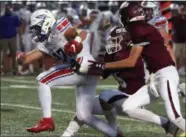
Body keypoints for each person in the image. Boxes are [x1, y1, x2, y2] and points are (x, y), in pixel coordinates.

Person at [17, 9, 123, 137]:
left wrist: (76, 42)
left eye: (37, 28)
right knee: (84, 116)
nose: (35, 32)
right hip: (87, 72)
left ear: (45, 22)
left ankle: (47, 120)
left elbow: (82, 33)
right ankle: (115, 134)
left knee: (43, 80)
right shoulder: (45, 43)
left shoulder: (58, 26)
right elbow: (28, 59)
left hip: (82, 65)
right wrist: (21, 58)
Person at [88, 1, 186, 135]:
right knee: (128, 107)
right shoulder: (140, 27)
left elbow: (131, 61)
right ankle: (168, 121)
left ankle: (178, 94)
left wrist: (102, 65)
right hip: (155, 78)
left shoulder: (138, 29)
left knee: (176, 117)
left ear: (126, 15)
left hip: (165, 74)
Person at [62, 26, 179, 137]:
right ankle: (67, 134)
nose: (111, 44)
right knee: (85, 108)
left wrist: (90, 67)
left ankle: (165, 123)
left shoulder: (132, 57)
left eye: (115, 41)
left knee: (105, 95)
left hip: (136, 98)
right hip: (121, 97)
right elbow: (102, 75)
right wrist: (82, 71)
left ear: (127, 42)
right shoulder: (114, 55)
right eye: (111, 41)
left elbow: (123, 64)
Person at [0, 3, 21, 75]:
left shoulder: (15, 17)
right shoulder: (1, 17)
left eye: (8, 7)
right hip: (3, 38)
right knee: (4, 55)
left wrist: (16, 34)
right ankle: (5, 71)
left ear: (10, 8)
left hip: (12, 38)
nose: (7, 9)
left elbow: (18, 27)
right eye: (6, 7)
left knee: (14, 54)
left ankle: (15, 70)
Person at [172, 5, 186, 76]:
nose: (183, 11)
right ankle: (175, 69)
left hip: (184, 41)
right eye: (182, 9)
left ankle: (182, 69)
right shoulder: (175, 18)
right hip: (177, 41)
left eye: (184, 9)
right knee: (176, 56)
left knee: (183, 56)